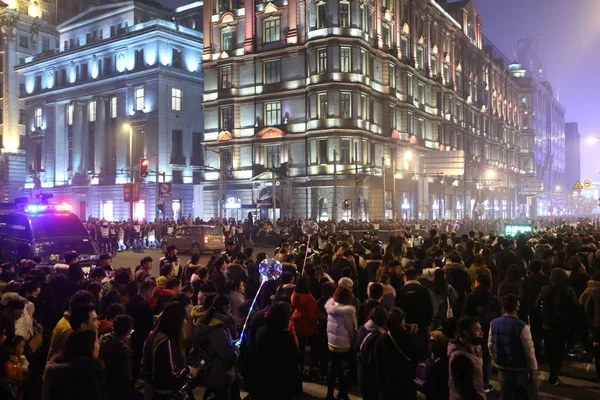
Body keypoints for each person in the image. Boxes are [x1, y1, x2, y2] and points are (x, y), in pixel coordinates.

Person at [142, 303, 198, 400]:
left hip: (154, 388)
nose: (183, 324)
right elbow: (171, 375)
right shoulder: (166, 342)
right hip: (166, 392)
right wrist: (188, 370)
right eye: (183, 320)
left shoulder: (153, 335)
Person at [488, 294, 538, 400]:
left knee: (505, 393)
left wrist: (496, 358)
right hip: (518, 368)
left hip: (502, 366)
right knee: (520, 394)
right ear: (517, 306)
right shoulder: (522, 326)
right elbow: (529, 351)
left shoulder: (494, 323)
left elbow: (490, 345)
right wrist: (533, 369)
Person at [536, 268, 579, 385]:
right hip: (562, 324)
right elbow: (575, 307)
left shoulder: (545, 289)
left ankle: (553, 371)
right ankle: (554, 374)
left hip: (547, 324)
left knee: (549, 349)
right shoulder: (568, 291)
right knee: (559, 349)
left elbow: (537, 304)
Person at [254, 301, 303, 400]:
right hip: (283, 378)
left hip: (266, 375)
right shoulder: (285, 336)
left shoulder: (261, 331)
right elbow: (296, 357)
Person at [196, 294, 239, 400]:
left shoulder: (208, 320)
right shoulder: (217, 328)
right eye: (229, 307)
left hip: (209, 368)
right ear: (225, 307)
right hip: (218, 373)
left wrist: (232, 342)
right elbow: (227, 354)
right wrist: (237, 351)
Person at [42, 329, 107, 400]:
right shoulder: (91, 372)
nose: (99, 346)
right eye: (96, 342)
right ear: (88, 346)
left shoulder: (54, 371)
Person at [463, 273, 500, 393]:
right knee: (487, 357)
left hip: (472, 330)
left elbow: (465, 315)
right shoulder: (493, 298)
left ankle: (473, 382)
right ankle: (485, 383)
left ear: (477, 282)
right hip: (488, 329)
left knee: (472, 356)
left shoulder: (471, 297)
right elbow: (498, 315)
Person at [373, 308, 420, 399]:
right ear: (402, 321)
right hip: (404, 382)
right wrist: (414, 335)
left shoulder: (380, 340)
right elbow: (417, 354)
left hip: (386, 384)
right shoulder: (407, 338)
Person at [325, 287, 357, 400]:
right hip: (343, 345)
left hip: (332, 343)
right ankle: (343, 390)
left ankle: (329, 394)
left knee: (334, 369)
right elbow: (351, 330)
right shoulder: (346, 313)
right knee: (354, 365)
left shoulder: (331, 308)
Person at [396, 268, 433, 360]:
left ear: (405, 277)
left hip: (406, 324)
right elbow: (430, 308)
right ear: (416, 277)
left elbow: (397, 309)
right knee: (422, 347)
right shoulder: (424, 290)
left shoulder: (401, 291)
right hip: (422, 324)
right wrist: (428, 323)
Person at [126, 279, 157, 386]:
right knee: (136, 367)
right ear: (148, 290)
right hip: (139, 341)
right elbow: (147, 328)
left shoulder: (130, 302)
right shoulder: (144, 307)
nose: (152, 296)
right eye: (153, 292)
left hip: (129, 339)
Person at [448, 316, 486, 400]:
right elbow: (466, 390)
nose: (481, 333)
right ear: (466, 333)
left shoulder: (473, 349)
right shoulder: (461, 357)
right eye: (477, 330)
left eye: (480, 329)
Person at [98, 315, 134, 400]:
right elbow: (127, 371)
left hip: (104, 380)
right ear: (128, 331)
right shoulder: (123, 347)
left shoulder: (103, 339)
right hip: (118, 384)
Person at [291, 276, 319, 376]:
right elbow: (312, 315)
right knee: (313, 348)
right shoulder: (309, 298)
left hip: (297, 323)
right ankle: (312, 368)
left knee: (300, 348)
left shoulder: (294, 294)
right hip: (308, 325)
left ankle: (300, 368)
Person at [523, 260, 550, 359]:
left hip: (531, 306)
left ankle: (536, 351)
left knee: (534, 329)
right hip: (543, 306)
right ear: (541, 268)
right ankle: (546, 350)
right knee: (545, 329)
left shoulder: (527, 279)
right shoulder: (545, 279)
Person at [421, 331, 450, 400]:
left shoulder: (442, 363)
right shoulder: (432, 355)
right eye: (430, 340)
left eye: (433, 341)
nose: (431, 343)